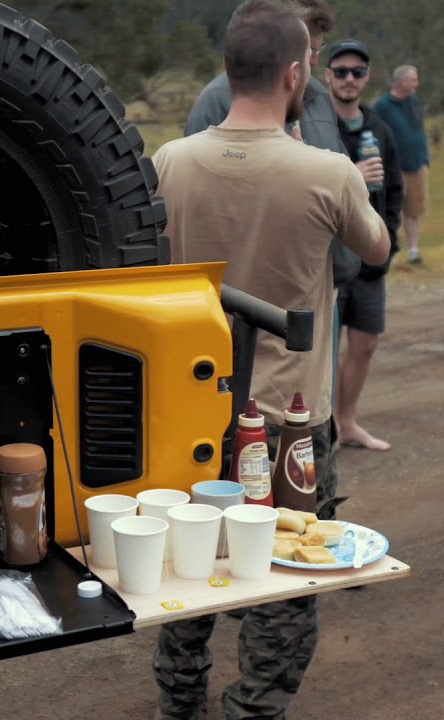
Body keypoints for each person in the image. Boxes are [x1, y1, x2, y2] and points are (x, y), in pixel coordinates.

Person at [149, 1, 390, 717]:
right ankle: (254, 708)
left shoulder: (169, 162)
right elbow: (375, 249)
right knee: (285, 576)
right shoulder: (326, 171)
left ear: (229, 70)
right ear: (296, 73)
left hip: (190, 414)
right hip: (288, 419)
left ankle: (177, 702)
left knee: (187, 566)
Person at [184, 0, 358, 452]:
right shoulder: (215, 102)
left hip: (316, 292)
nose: (315, 62)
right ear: (288, 66)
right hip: (234, 336)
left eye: (319, 50)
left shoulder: (318, 101)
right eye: (309, 51)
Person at [324, 39, 403, 452]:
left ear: (367, 77)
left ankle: (347, 421)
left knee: (365, 343)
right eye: (341, 71)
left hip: (371, 260)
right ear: (328, 76)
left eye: (357, 72)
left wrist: (389, 243)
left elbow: (393, 189)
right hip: (330, 259)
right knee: (323, 348)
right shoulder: (317, 127)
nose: (349, 79)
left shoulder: (379, 128)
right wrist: (351, 175)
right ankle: (323, 432)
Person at [373, 64, 429, 265]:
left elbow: (419, 131)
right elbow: (375, 135)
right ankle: (389, 253)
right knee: (391, 212)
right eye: (413, 79)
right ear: (402, 82)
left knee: (413, 211)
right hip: (394, 169)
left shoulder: (414, 102)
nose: (417, 83)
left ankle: (414, 251)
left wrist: (424, 159)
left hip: (417, 166)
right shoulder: (382, 106)